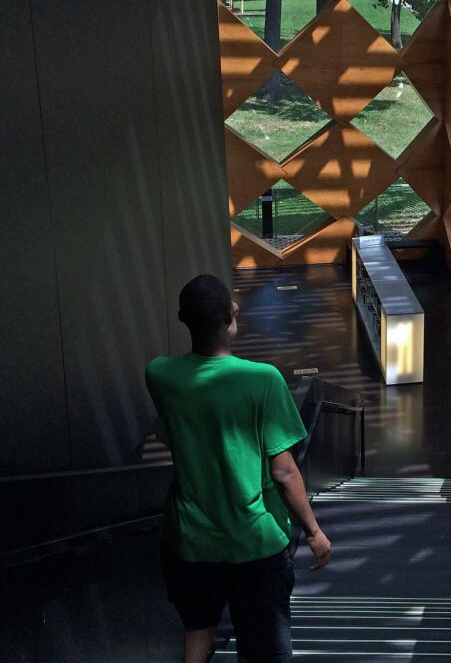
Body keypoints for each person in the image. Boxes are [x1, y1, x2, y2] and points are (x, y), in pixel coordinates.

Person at [146, 274, 331, 663]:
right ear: (231, 316)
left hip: (191, 540)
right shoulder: (262, 380)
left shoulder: (160, 375)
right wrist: (313, 531)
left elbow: (169, 432)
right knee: (264, 648)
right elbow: (284, 472)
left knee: (197, 629)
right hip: (255, 544)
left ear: (183, 318)